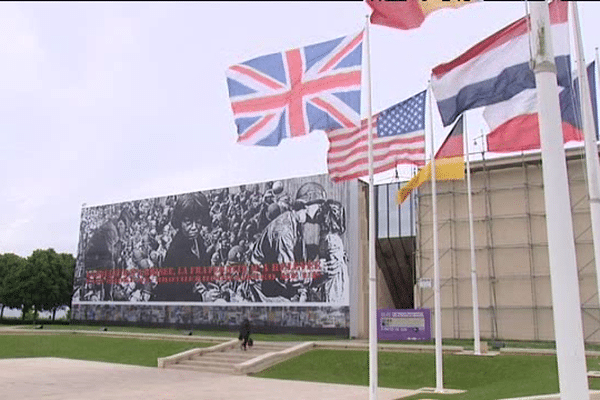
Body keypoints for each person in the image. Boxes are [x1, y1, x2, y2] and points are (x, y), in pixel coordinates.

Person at [153, 192, 212, 301]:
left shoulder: (198, 240)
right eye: (188, 222)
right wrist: (203, 297)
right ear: (179, 221)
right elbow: (175, 296)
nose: (194, 228)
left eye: (198, 222)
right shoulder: (175, 252)